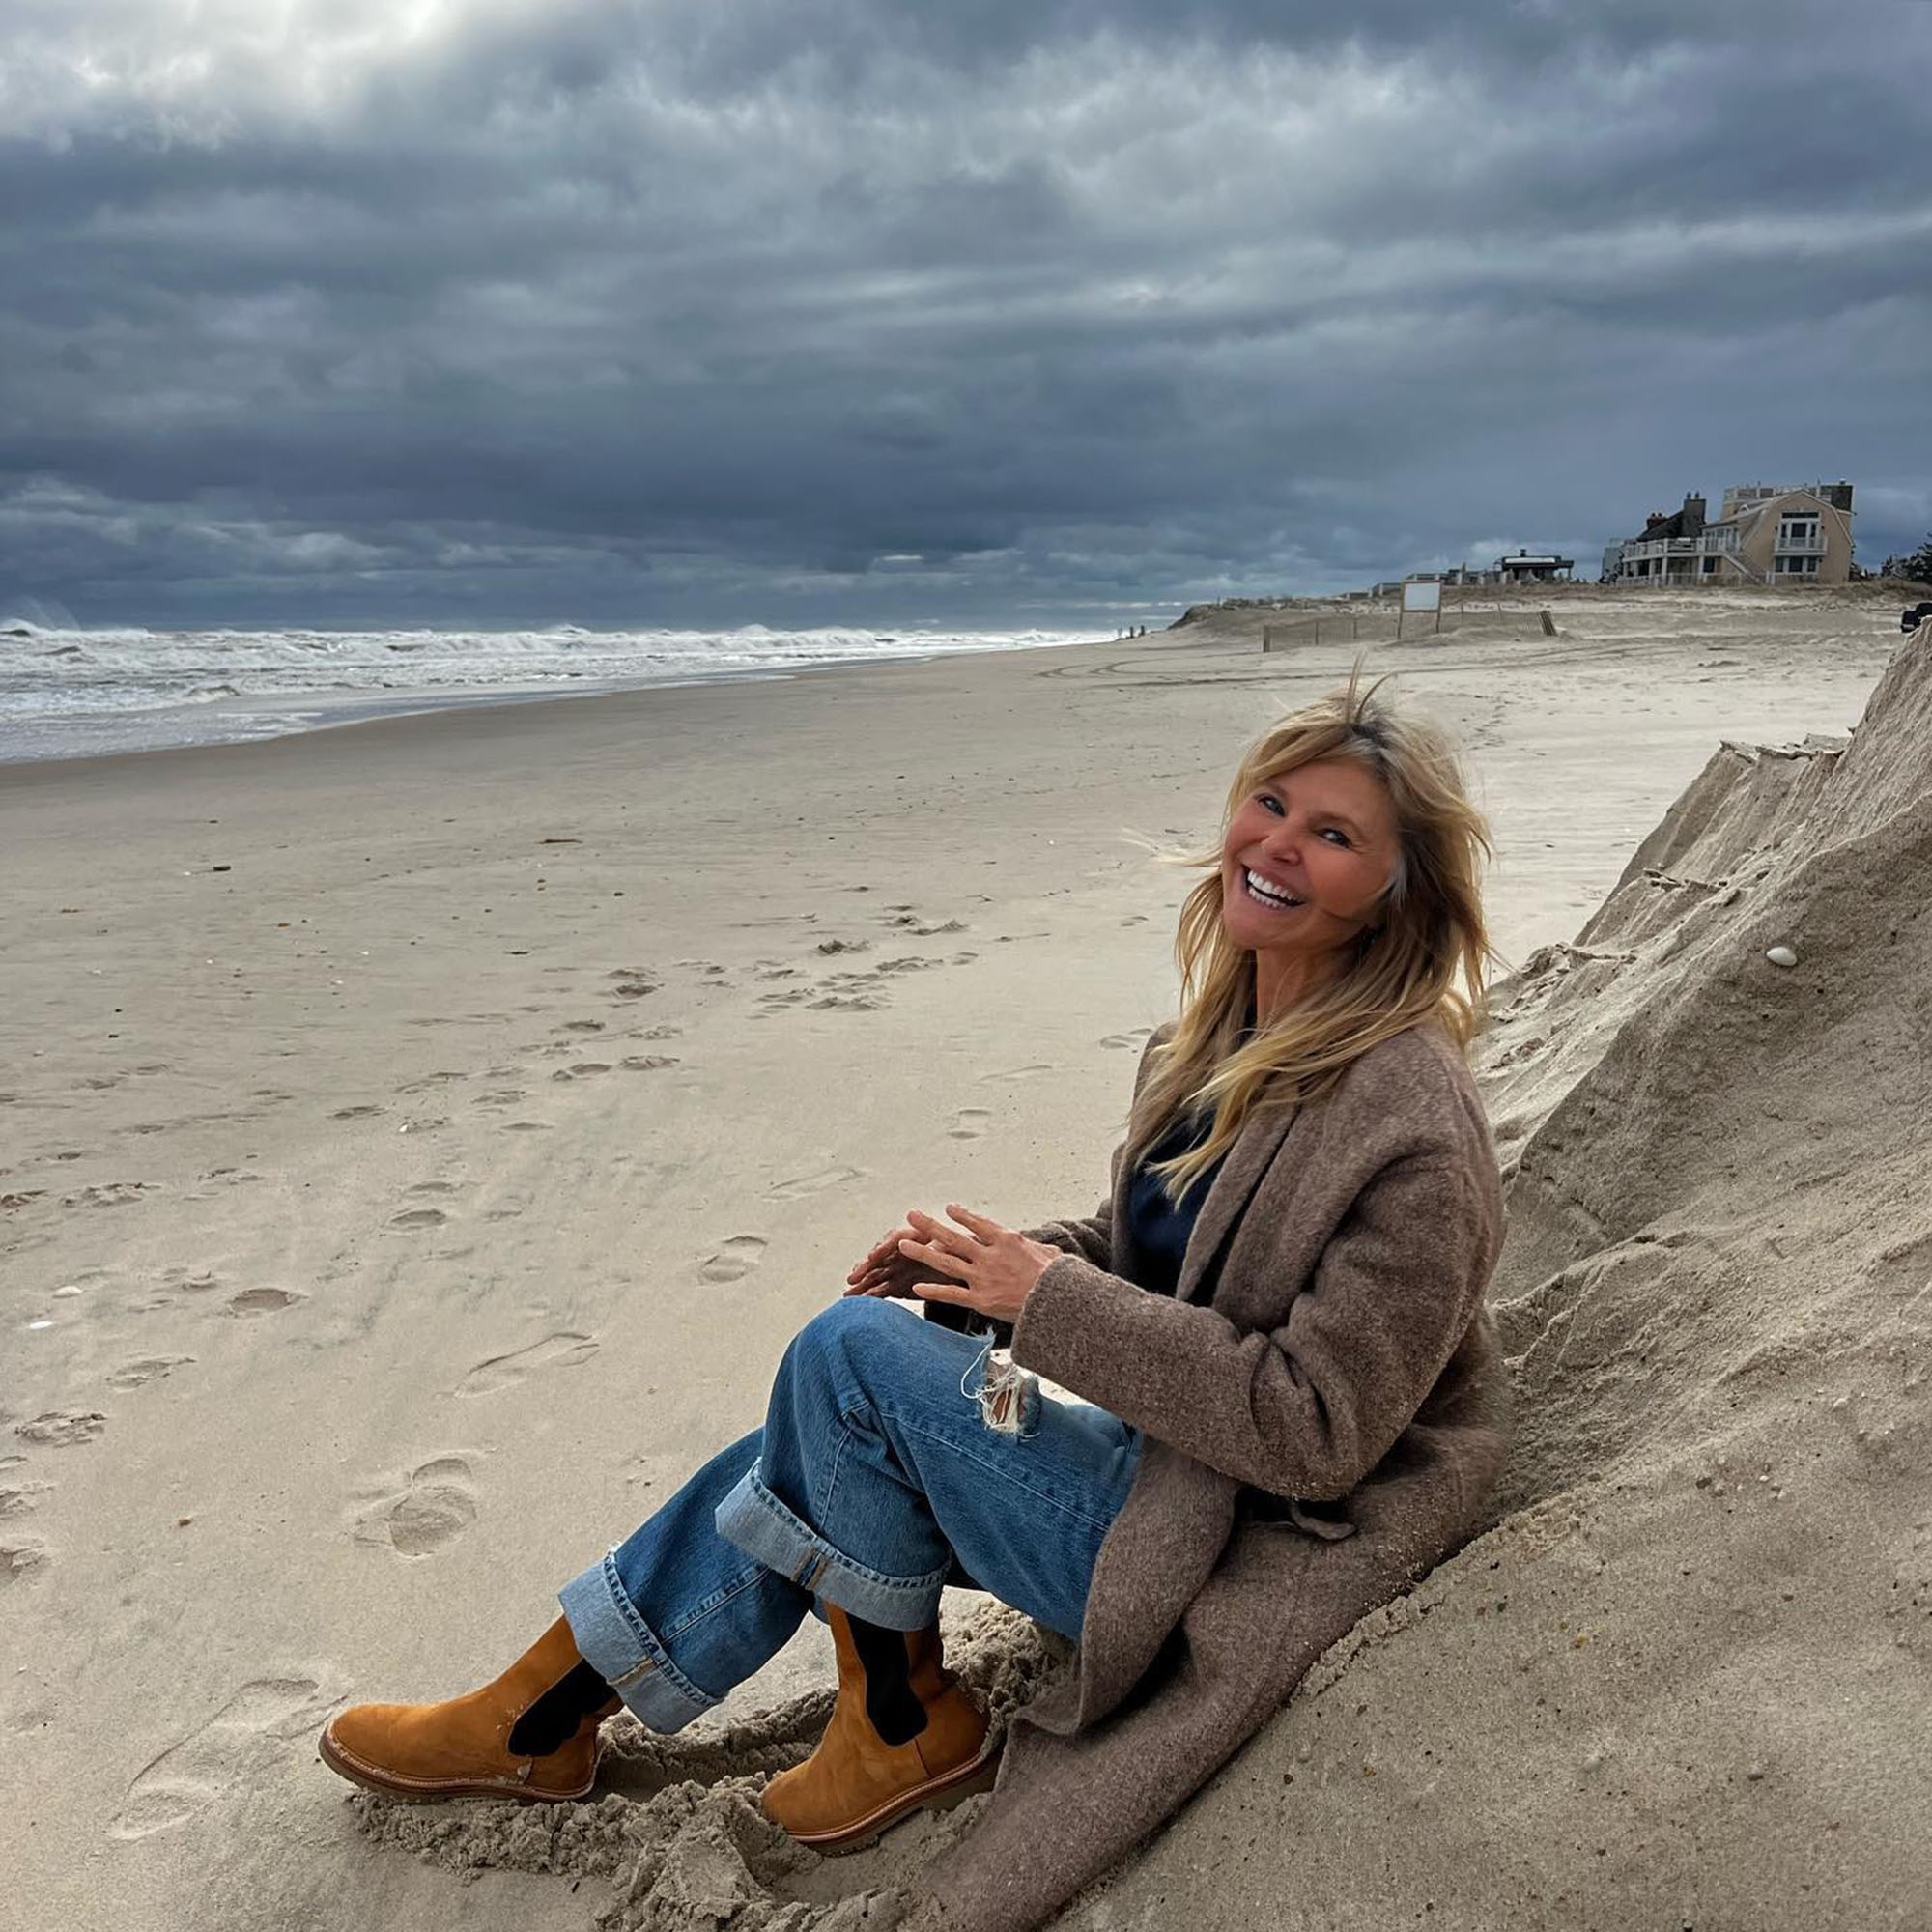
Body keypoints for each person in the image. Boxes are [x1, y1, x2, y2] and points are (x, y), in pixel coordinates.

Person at [320, 677, 1509, 1932]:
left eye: (1333, 835)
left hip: (1243, 1548)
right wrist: (978, 1273)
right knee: (823, 1416)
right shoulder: (1214, 1042)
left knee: (846, 1362)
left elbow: (1314, 1434)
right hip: (1171, 1471)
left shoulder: (1412, 1124)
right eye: (1268, 803)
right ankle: (545, 1711)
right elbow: (1153, 1257)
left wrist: (1042, 1301)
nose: (1277, 844)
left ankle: (897, 1724)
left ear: (1398, 894)